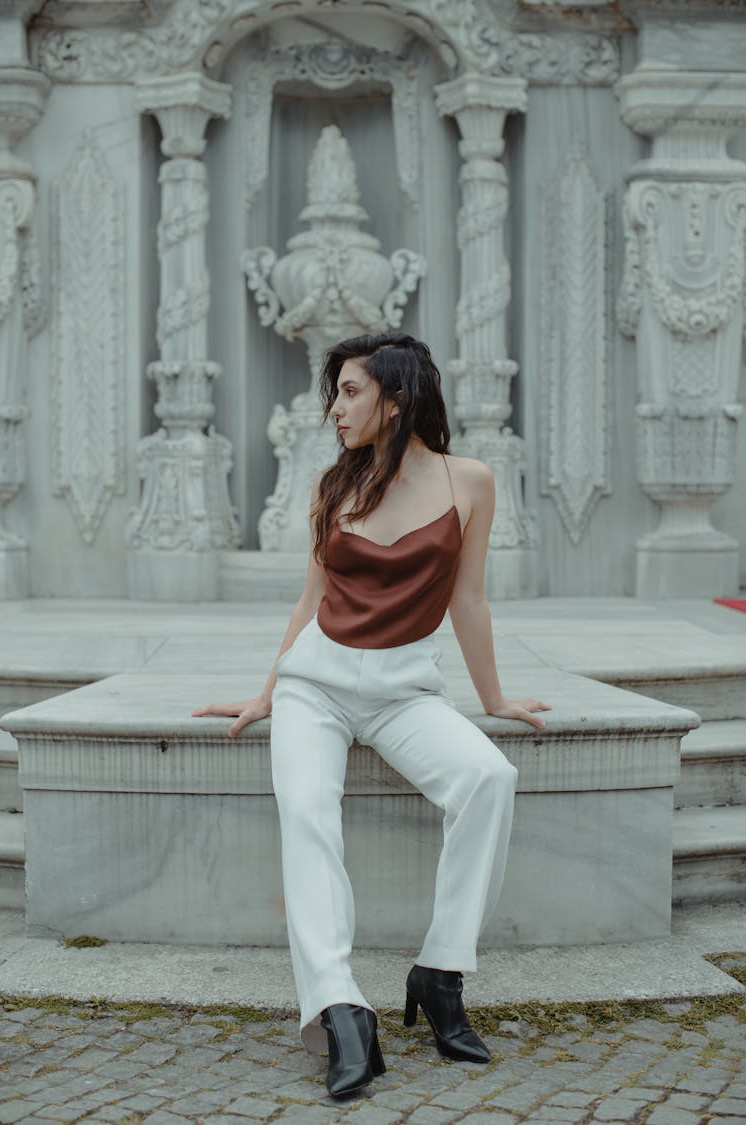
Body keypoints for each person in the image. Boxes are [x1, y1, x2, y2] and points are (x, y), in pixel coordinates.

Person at [193, 332, 550, 1099]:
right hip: (315, 685)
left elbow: (469, 598)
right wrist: (268, 690)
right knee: (310, 814)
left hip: (404, 690)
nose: (335, 409)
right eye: (336, 393)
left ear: (395, 399)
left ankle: (441, 972)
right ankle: (342, 1011)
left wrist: (494, 700)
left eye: (350, 392)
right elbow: (310, 599)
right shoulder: (334, 485)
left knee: (488, 776)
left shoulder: (472, 482)